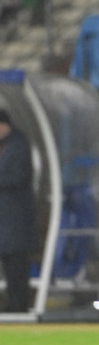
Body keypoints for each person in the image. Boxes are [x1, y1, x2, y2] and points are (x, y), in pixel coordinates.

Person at [0, 109, 35, 313]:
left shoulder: (18, 145)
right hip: (6, 221)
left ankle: (19, 304)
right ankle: (13, 302)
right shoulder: (7, 145)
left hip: (16, 219)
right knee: (9, 263)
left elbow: (19, 176)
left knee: (17, 264)